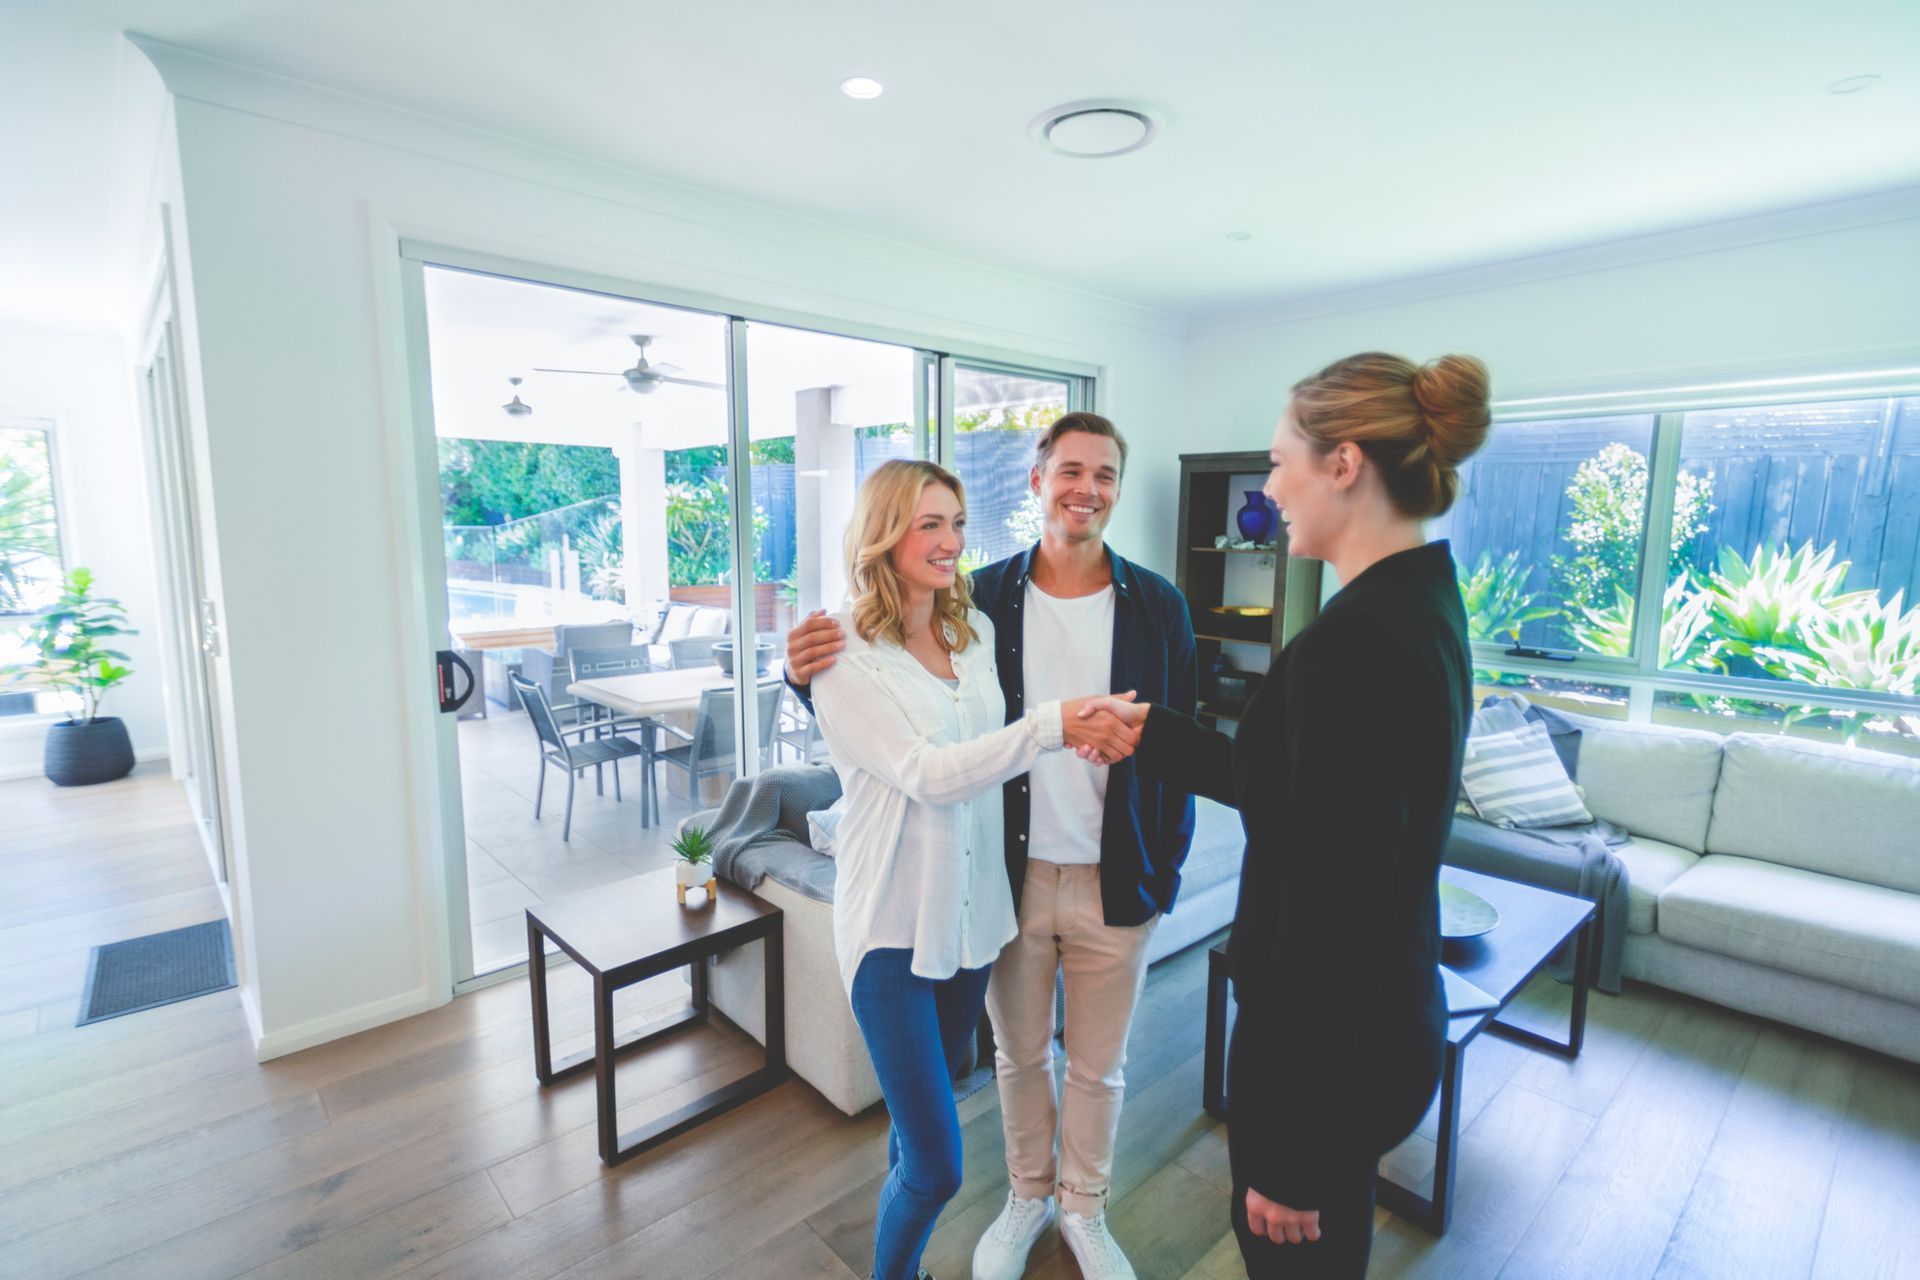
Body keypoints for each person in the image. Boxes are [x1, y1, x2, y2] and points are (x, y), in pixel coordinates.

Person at [1075, 352, 1492, 1277]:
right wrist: (1159, 734)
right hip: (1382, 1031)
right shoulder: (1421, 602)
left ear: (1343, 463)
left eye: (1278, 460)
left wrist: (1293, 1157)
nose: (1268, 485)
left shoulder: (1354, 644)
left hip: (1322, 1076)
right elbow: (1306, 793)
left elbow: (1333, 914)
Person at [788, 413, 1197, 1280]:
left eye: (1106, 474)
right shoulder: (988, 596)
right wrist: (798, 673)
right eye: (1070, 469)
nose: (1087, 487)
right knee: (1013, 1058)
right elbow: (896, 717)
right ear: (1039, 480)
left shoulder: (1154, 605)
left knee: (1100, 1067)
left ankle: (1084, 1213)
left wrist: (1167, 868)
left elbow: (1184, 745)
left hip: (1111, 874)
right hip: (1006, 880)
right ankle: (1023, 1200)